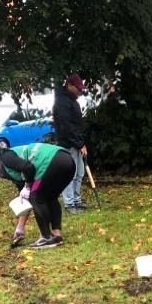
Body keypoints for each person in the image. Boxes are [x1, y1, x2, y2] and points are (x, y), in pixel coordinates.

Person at [0, 144, 76, 249]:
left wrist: (28, 186)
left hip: (52, 161)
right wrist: (20, 228)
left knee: (36, 198)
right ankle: (56, 235)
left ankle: (46, 238)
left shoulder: (6, 157)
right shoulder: (14, 172)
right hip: (67, 161)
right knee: (50, 197)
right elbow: (25, 200)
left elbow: (29, 168)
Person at [52, 73, 88, 213]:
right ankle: (69, 204)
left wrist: (82, 143)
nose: (80, 91)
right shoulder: (61, 102)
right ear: (69, 85)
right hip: (67, 144)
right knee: (70, 175)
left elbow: (77, 125)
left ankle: (77, 200)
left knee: (79, 173)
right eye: (78, 88)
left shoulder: (73, 100)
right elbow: (66, 126)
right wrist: (78, 143)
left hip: (77, 143)